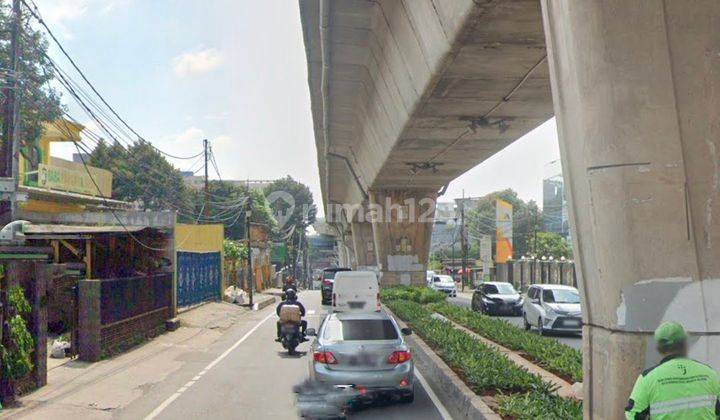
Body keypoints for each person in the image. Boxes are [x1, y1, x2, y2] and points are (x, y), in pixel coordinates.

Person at [625, 321, 720, 419]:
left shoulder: (648, 378)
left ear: (659, 348)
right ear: (685, 344)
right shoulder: (710, 374)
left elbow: (633, 414)